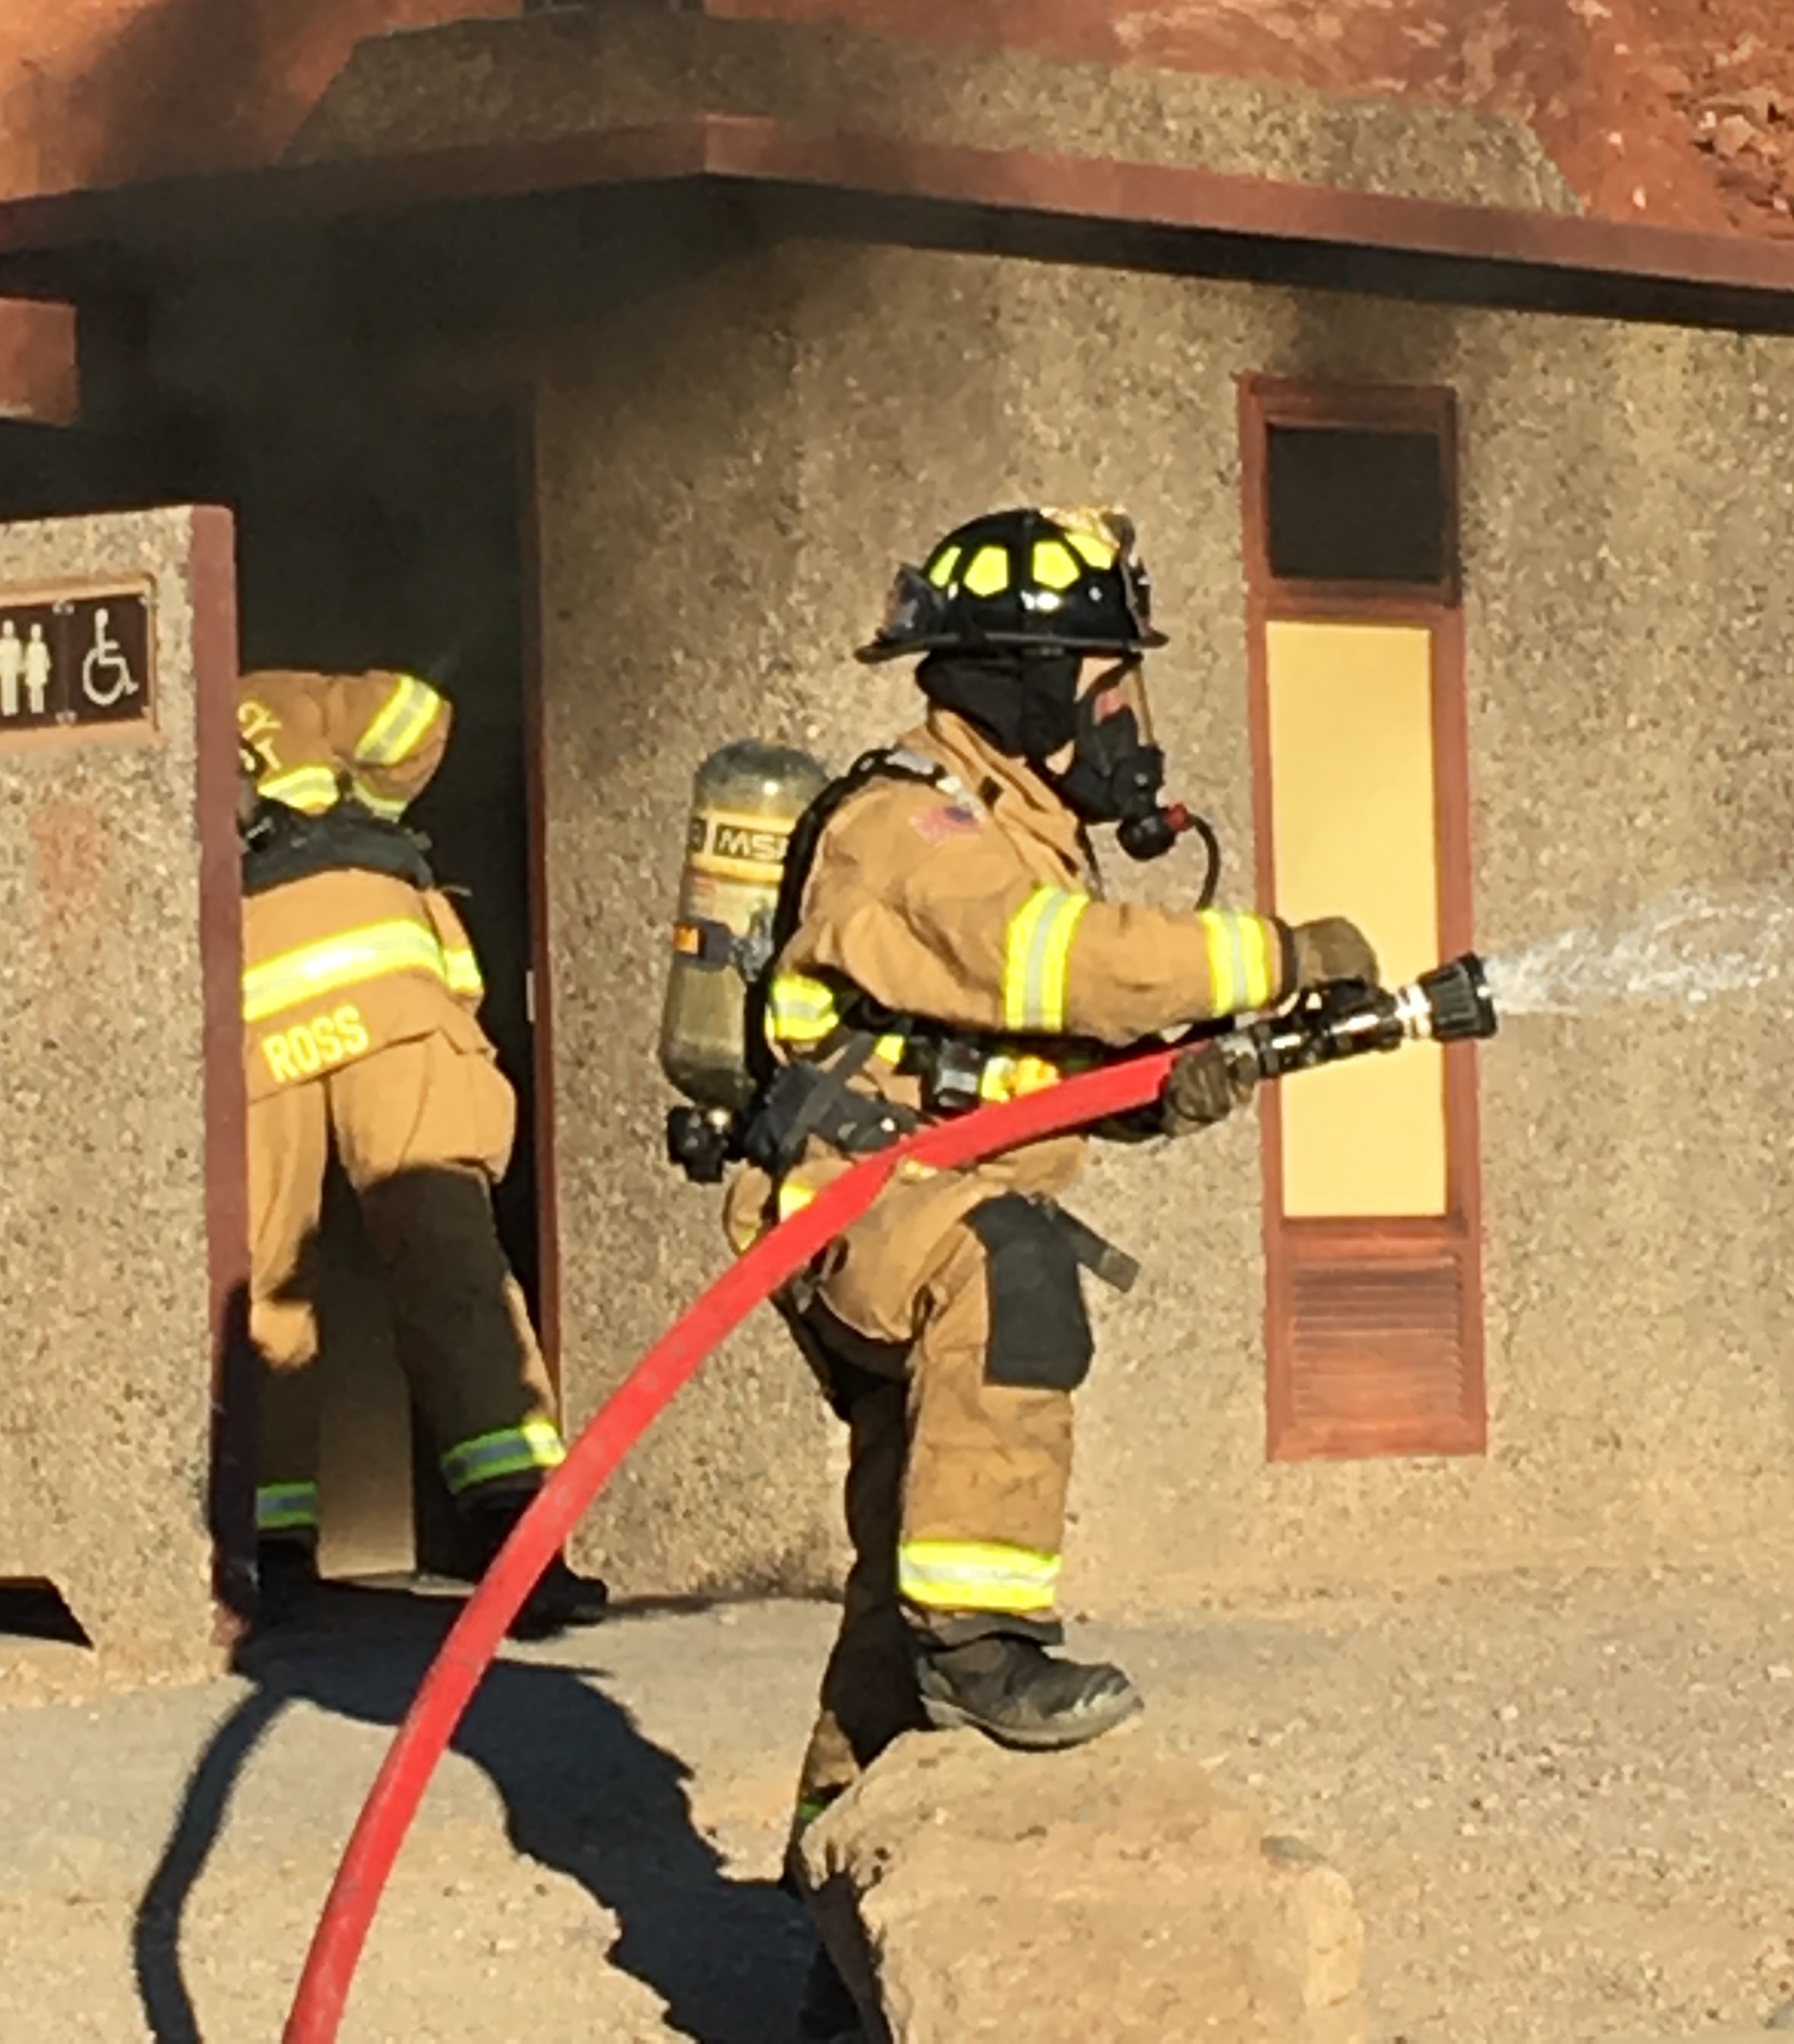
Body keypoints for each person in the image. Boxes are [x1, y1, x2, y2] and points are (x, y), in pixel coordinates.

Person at [723, 506, 1377, 2005]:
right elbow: (1055, 969)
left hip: (921, 1182)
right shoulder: (914, 825)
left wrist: (1168, 1090)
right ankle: (986, 1637)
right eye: (1101, 679)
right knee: (1013, 1277)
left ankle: (835, 1905)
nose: (1122, 719)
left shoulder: (1020, 832)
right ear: (1022, 686)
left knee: (898, 1534)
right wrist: (1266, 957)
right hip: (854, 1202)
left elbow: (1011, 1059)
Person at [236, 666, 605, 1635]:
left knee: (263, 1278)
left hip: (247, 1024)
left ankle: (270, 1556)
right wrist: (364, 787)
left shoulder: (166, 716)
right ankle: (520, 1541)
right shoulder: (291, 695)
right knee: (449, 1258)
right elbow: (419, 713)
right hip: (389, 997)